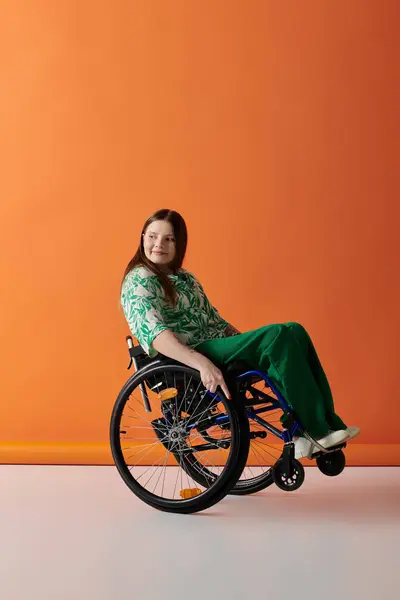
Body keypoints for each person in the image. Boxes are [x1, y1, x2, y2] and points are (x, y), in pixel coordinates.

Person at [120, 209, 360, 458]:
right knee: (277, 335)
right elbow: (156, 335)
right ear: (142, 237)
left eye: (169, 239)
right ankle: (313, 431)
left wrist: (251, 343)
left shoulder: (185, 278)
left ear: (179, 244)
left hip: (216, 343)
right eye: (152, 236)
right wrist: (201, 363)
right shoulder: (139, 279)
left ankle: (329, 423)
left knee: (293, 332)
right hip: (192, 351)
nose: (158, 244)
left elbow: (215, 320)